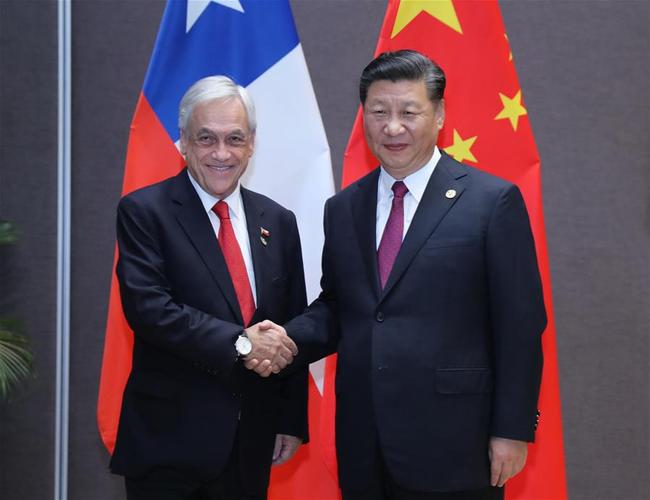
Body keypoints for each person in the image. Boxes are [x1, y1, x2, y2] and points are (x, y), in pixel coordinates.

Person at [249, 50, 546, 500]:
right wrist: (283, 339)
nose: (392, 127)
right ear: (363, 116)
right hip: (364, 441)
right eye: (378, 112)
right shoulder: (344, 207)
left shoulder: (491, 202)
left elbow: (521, 324)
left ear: (440, 114)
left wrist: (512, 428)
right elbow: (339, 306)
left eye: (409, 112)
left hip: (456, 443)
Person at [109, 75, 309, 500]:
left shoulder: (278, 220)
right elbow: (150, 311)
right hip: (169, 444)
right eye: (206, 139)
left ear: (252, 144)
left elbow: (290, 323)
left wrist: (290, 418)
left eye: (235, 138)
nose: (222, 153)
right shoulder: (145, 212)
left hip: (251, 441)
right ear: (182, 142)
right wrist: (241, 343)